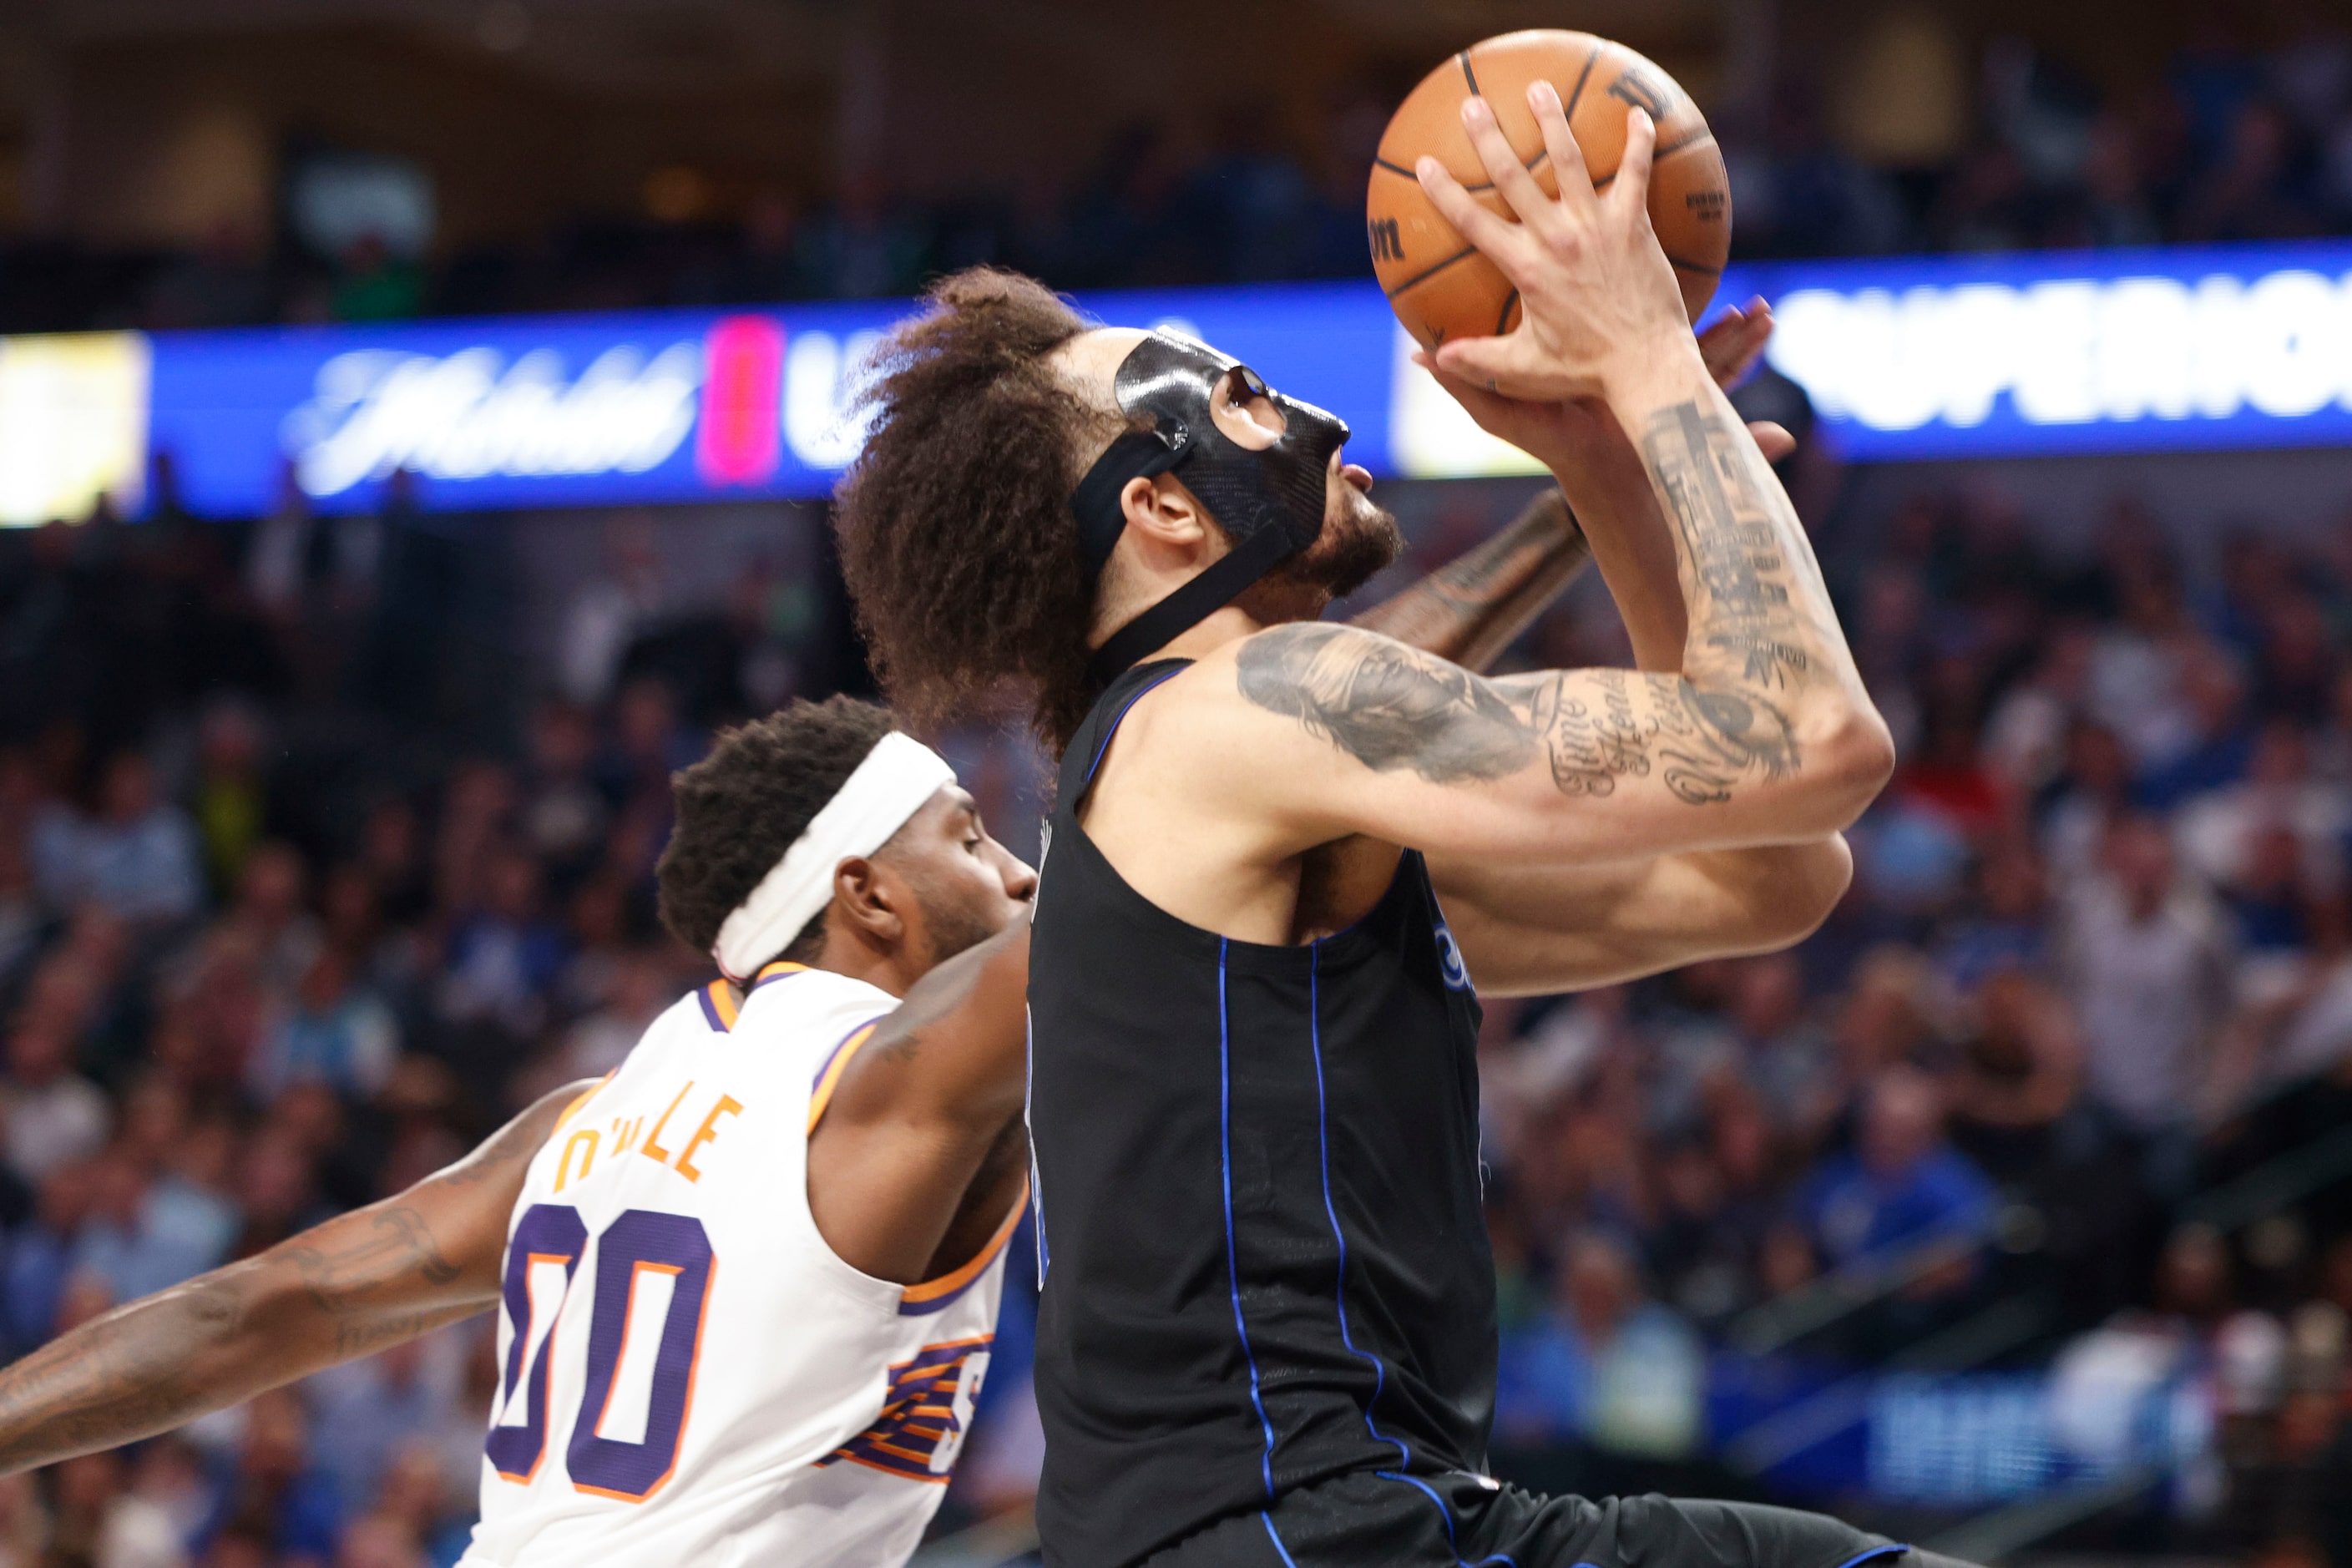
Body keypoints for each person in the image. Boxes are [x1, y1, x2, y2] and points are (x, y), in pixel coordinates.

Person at [0, 468, 1622, 1564]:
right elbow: (1256, 766)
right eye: (972, 843)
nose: (1009, 874)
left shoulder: (579, 1122)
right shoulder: (895, 1078)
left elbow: (251, 1313)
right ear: (866, 897)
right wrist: (1564, 523)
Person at [836, 86, 1936, 1568]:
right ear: (1161, 508)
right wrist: (1645, 356)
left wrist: (1598, 454)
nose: (1314, 412)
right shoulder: (1243, 704)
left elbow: (1767, 871)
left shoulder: (1213, 817)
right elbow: (1816, 741)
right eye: (1236, 394)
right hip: (1317, 1532)